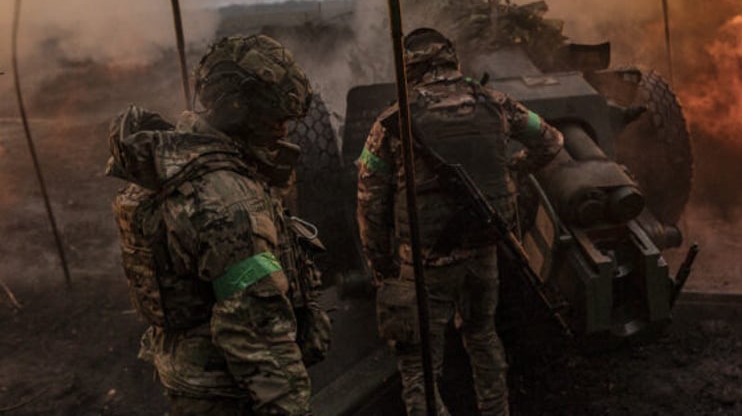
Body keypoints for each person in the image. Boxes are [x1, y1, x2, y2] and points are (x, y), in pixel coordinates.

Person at [107, 34, 330, 416]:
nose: (283, 131)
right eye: (275, 119)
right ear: (238, 109)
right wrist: (291, 406)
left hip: (188, 372)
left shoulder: (178, 156)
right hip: (226, 389)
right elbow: (254, 325)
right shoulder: (228, 199)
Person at [356, 27, 564, 416]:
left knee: (419, 363)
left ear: (409, 69)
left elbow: (370, 199)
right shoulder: (496, 103)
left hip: (422, 263)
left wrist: (379, 266)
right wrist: (515, 170)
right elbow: (551, 141)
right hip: (484, 250)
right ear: (453, 59)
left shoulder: (391, 122)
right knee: (482, 334)